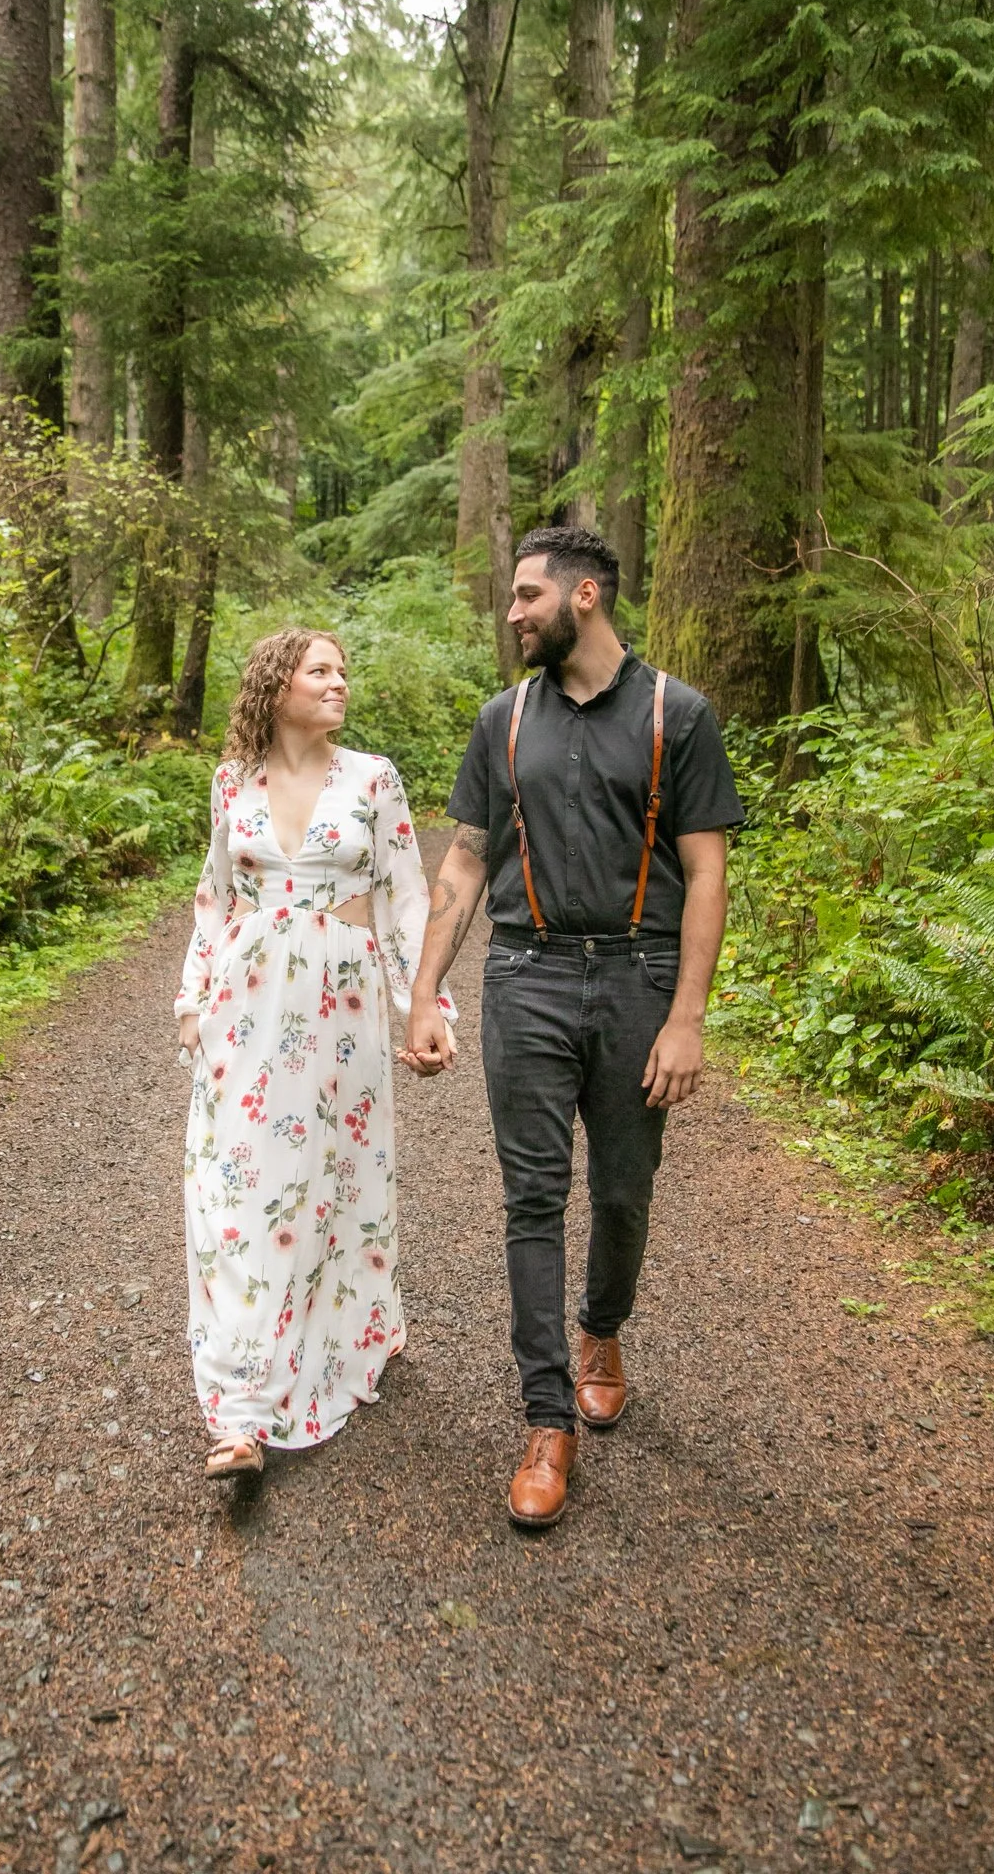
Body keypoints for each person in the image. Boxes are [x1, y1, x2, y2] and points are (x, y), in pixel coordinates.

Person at [402, 528, 744, 1529]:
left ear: (583, 596)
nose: (511, 612)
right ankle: (545, 1416)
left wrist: (686, 1018)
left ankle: (602, 1327)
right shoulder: (500, 720)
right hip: (525, 976)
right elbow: (464, 861)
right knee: (532, 1198)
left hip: (638, 978)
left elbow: (708, 869)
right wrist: (425, 990)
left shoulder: (676, 713)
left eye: (525, 595)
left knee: (624, 1190)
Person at [175, 628, 456, 1477]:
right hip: (246, 1005)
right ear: (276, 684)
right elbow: (214, 898)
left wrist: (427, 1008)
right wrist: (192, 1001)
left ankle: (362, 1323)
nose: (339, 683)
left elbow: (406, 900)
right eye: (321, 670)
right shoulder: (233, 782)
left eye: (344, 671)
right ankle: (245, 1410)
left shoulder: (373, 778)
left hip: (341, 1008)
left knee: (338, 1177)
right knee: (241, 1183)